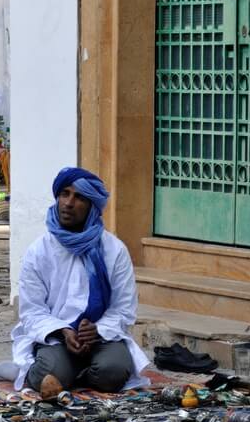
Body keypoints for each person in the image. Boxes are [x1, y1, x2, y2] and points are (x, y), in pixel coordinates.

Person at [11, 167, 150, 395]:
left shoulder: (114, 250)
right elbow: (32, 311)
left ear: (92, 207)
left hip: (102, 336)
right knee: (51, 375)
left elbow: (124, 308)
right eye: (64, 194)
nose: (68, 203)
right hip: (56, 337)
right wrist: (64, 330)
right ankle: (34, 369)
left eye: (79, 197)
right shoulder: (39, 251)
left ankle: (78, 372)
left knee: (114, 372)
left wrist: (98, 329)